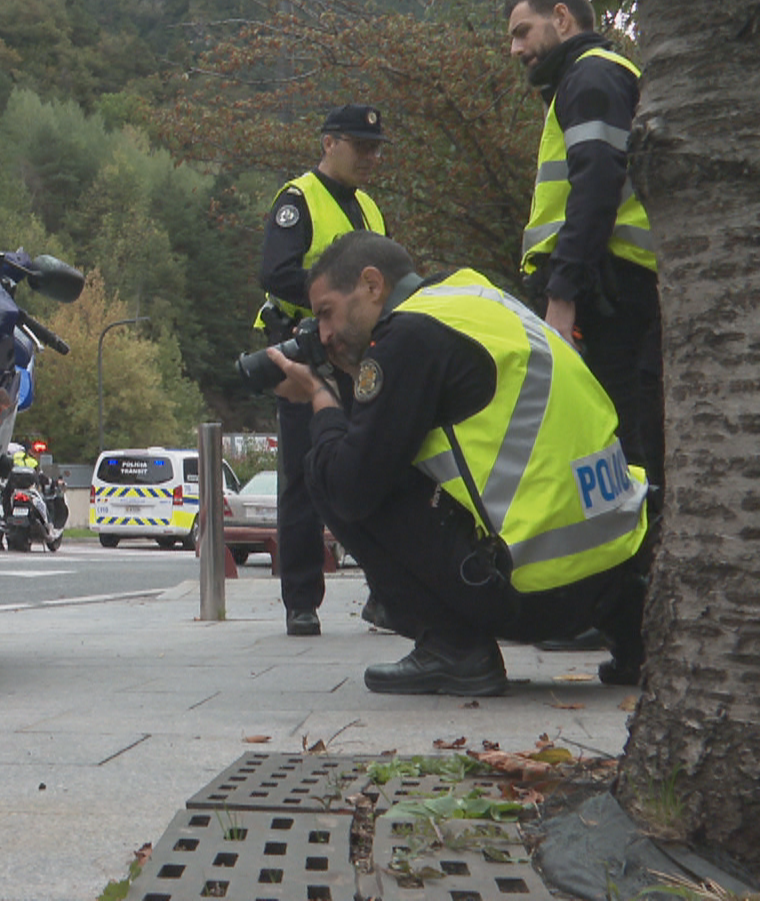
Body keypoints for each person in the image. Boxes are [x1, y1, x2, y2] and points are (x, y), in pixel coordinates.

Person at [267, 231, 650, 695]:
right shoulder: (476, 300)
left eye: (326, 312)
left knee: (326, 471)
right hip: (613, 576)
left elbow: (352, 484)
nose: (323, 334)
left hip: (533, 592)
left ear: (372, 285)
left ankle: (453, 650)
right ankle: (637, 640)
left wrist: (320, 397)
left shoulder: (406, 336)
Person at [506, 0, 663, 493]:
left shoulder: (591, 77)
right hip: (615, 283)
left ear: (562, 18)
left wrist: (564, 293)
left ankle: (638, 565)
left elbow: (595, 186)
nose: (516, 49)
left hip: (607, 291)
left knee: (618, 434)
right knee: (623, 428)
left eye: (523, 32)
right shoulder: (594, 78)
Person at [253, 104, 389, 637]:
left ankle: (386, 592)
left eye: (376, 148)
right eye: (362, 146)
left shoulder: (371, 209)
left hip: (362, 353)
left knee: (376, 468)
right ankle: (302, 600)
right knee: (305, 476)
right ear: (330, 143)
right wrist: (335, 302)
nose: (371, 157)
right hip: (306, 350)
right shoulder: (298, 199)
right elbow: (275, 272)